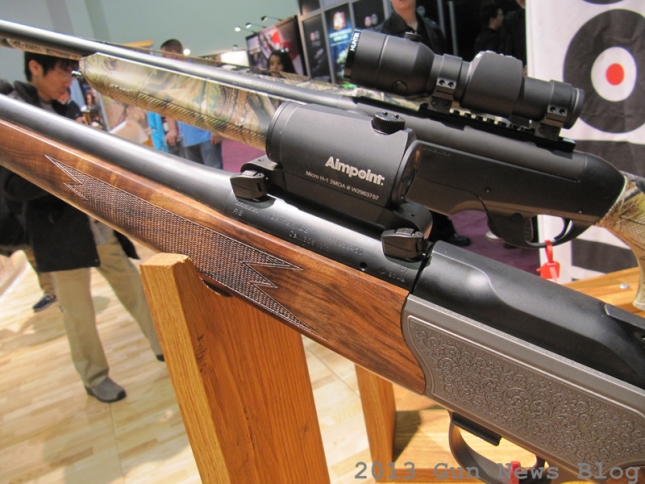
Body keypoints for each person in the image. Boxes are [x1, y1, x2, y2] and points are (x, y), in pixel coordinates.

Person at [0, 52, 164, 403]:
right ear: (34, 68)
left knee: (133, 286)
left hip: (95, 224)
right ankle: (94, 377)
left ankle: (164, 345)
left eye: (70, 73)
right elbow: (12, 186)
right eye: (61, 72)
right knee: (79, 314)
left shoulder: (66, 107)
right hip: (58, 233)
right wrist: (64, 164)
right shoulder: (15, 114)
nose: (68, 81)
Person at [376, 0, 471, 247]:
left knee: (437, 170)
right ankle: (418, 229)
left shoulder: (432, 29)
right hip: (403, 114)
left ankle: (443, 228)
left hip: (434, 111)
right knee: (409, 174)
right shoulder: (383, 33)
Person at [160, 39, 223, 168]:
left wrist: (215, 129)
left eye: (164, 55)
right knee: (196, 176)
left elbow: (213, 100)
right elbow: (170, 105)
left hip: (206, 136)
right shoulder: (172, 78)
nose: (164, 59)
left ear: (173, 53)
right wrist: (172, 129)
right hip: (187, 138)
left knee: (215, 174)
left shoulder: (198, 72)